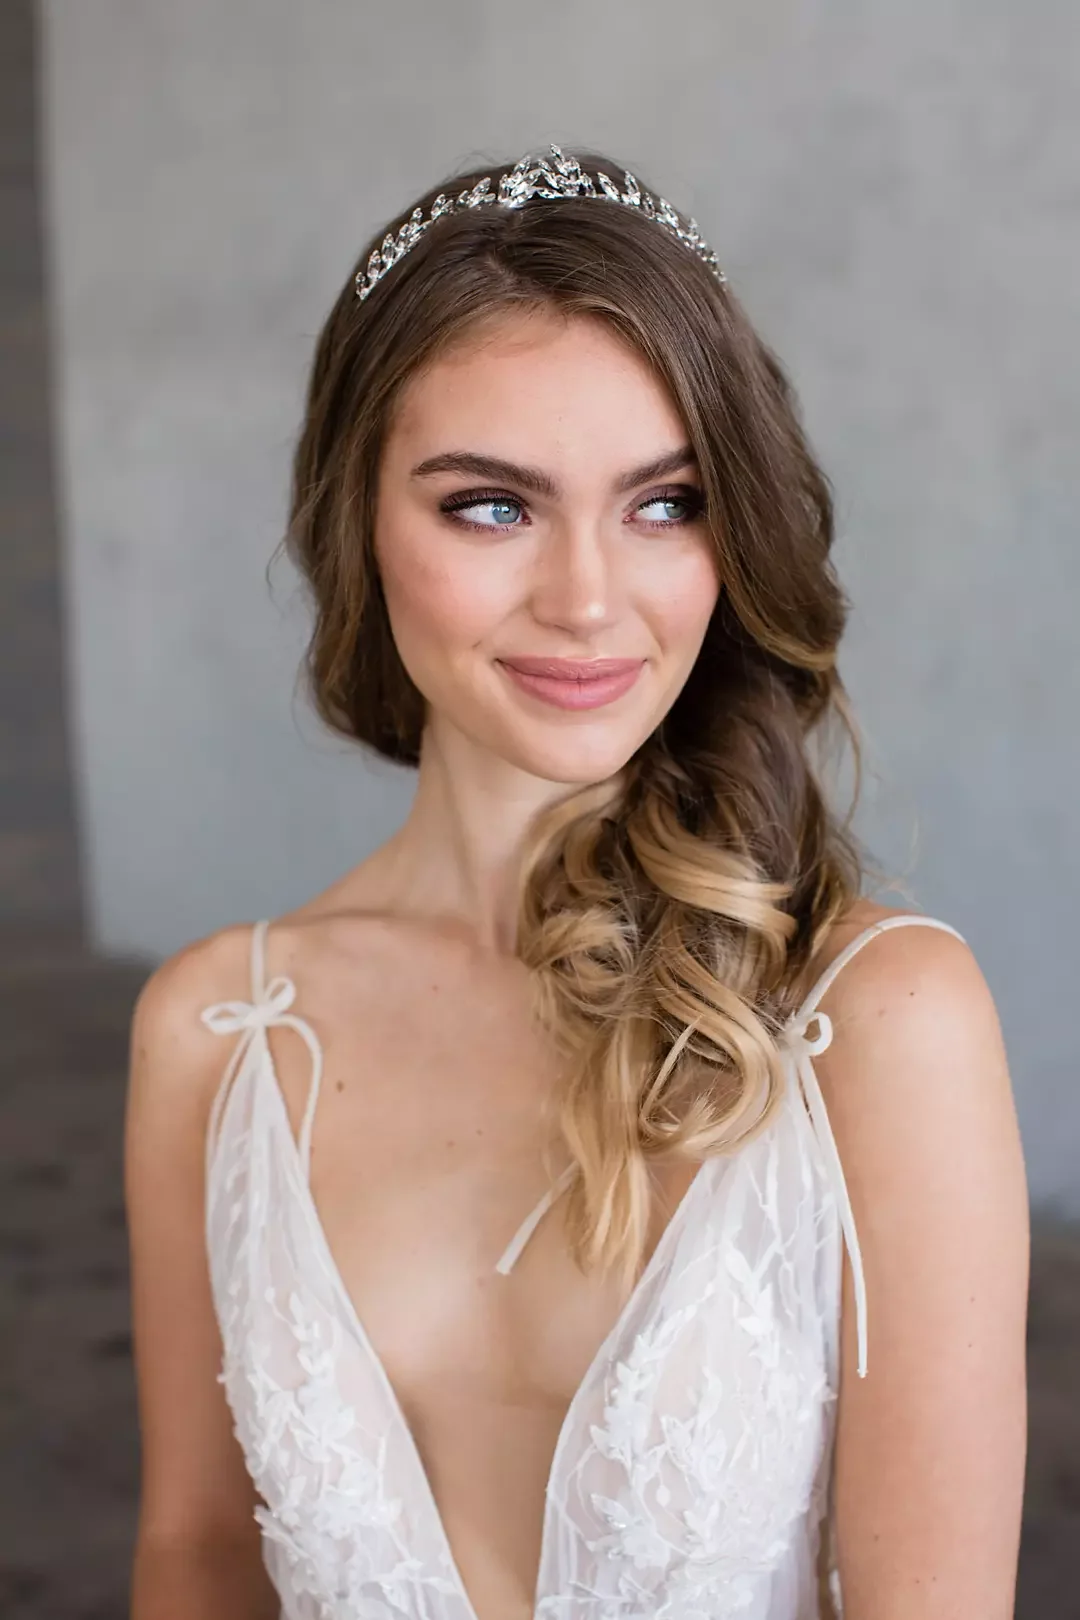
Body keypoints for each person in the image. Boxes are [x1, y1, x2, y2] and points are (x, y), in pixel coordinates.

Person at [123, 145, 1029, 1620]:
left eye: (664, 503)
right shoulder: (220, 1029)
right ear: (357, 522)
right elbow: (199, 1562)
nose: (591, 599)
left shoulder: (876, 1021)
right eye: (492, 506)